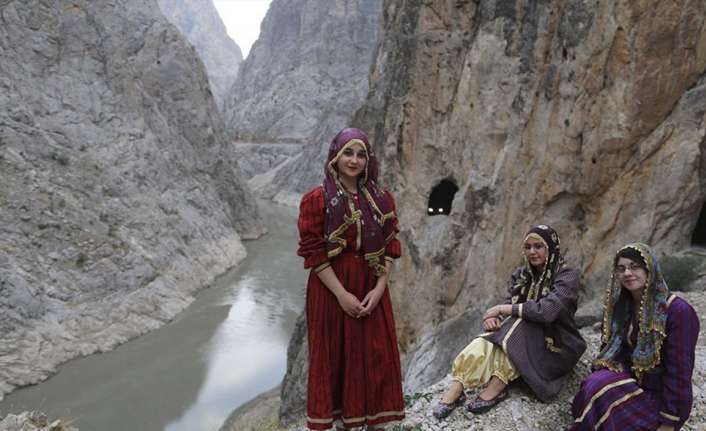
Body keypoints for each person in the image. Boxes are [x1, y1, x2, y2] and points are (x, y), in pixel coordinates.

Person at [297, 128, 405, 430]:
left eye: (360, 154)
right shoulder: (316, 200)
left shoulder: (382, 200)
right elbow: (313, 253)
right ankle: (343, 423)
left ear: (368, 159)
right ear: (335, 156)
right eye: (348, 153)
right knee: (336, 355)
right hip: (331, 288)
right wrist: (342, 295)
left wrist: (380, 288)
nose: (354, 161)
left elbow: (389, 247)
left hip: (371, 285)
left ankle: (374, 423)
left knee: (375, 355)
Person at [432, 225, 586, 419]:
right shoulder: (522, 275)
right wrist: (494, 319)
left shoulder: (567, 275)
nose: (532, 252)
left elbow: (547, 311)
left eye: (538, 246)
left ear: (551, 247)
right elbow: (510, 304)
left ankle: (498, 384)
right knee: (489, 336)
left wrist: (502, 310)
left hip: (557, 345)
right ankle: (458, 385)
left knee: (522, 324)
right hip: (522, 335)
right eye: (528, 247)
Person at [570, 243, 699, 430]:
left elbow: (679, 372)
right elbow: (617, 354)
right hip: (632, 384)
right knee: (593, 385)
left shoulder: (677, 311)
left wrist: (669, 421)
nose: (627, 273)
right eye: (621, 269)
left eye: (634, 267)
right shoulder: (623, 307)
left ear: (650, 269)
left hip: (660, 400)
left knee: (601, 391)